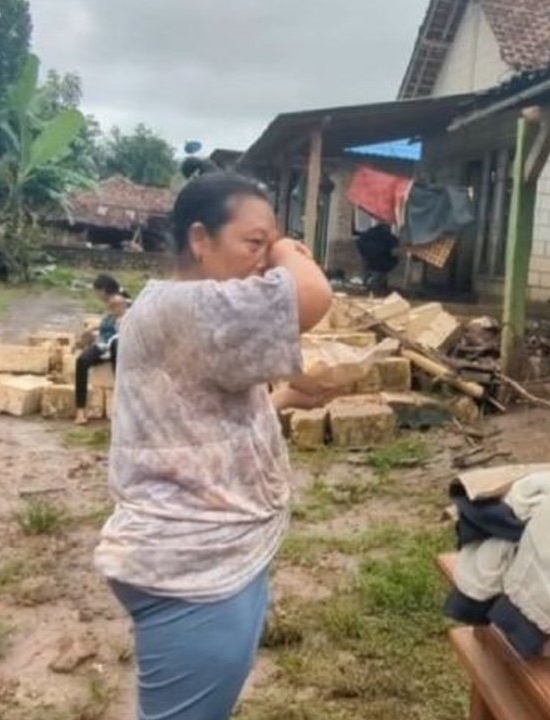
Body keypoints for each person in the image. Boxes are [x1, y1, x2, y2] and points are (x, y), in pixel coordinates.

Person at [93, 171, 333, 720]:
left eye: (266, 245)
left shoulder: (183, 312)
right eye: (253, 243)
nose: (263, 259)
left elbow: (197, 431)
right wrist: (286, 249)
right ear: (200, 240)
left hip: (215, 557)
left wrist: (285, 399)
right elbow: (313, 295)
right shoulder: (189, 307)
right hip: (194, 572)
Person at [74, 274, 131, 425]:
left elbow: (119, 324)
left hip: (117, 343)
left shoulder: (120, 301)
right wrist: (90, 331)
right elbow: (107, 323)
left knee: (115, 349)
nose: (97, 296)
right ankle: (80, 411)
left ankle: (121, 408)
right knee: (82, 361)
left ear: (103, 290)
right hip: (103, 343)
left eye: (97, 292)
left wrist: (91, 330)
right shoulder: (113, 301)